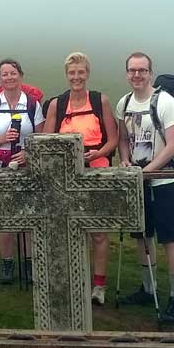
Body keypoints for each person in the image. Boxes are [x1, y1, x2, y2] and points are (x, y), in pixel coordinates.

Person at [43, 52, 118, 306]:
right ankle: (74, 282)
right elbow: (47, 139)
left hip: (97, 171)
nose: (76, 77)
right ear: (67, 75)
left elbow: (113, 139)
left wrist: (100, 153)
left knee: (98, 232)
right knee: (69, 232)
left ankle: (99, 285)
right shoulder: (57, 104)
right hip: (65, 175)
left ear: (88, 73)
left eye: (81, 72)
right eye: (72, 73)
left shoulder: (100, 101)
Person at [116, 52, 174, 323]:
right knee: (142, 236)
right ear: (126, 74)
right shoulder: (124, 103)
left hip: (164, 180)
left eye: (142, 70)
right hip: (137, 180)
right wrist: (124, 160)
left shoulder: (166, 102)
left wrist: (148, 170)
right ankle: (148, 289)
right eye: (132, 70)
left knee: (169, 238)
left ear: (151, 73)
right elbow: (123, 139)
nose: (137, 75)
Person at [0, 58, 44, 284]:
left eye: (13, 73)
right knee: (4, 217)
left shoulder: (33, 104)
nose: (9, 77)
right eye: (4, 74)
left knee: (27, 217)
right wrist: (1, 139)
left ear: (20, 76)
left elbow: (41, 137)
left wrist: (29, 153)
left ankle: (29, 263)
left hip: (26, 166)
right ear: (0, 79)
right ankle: (7, 263)